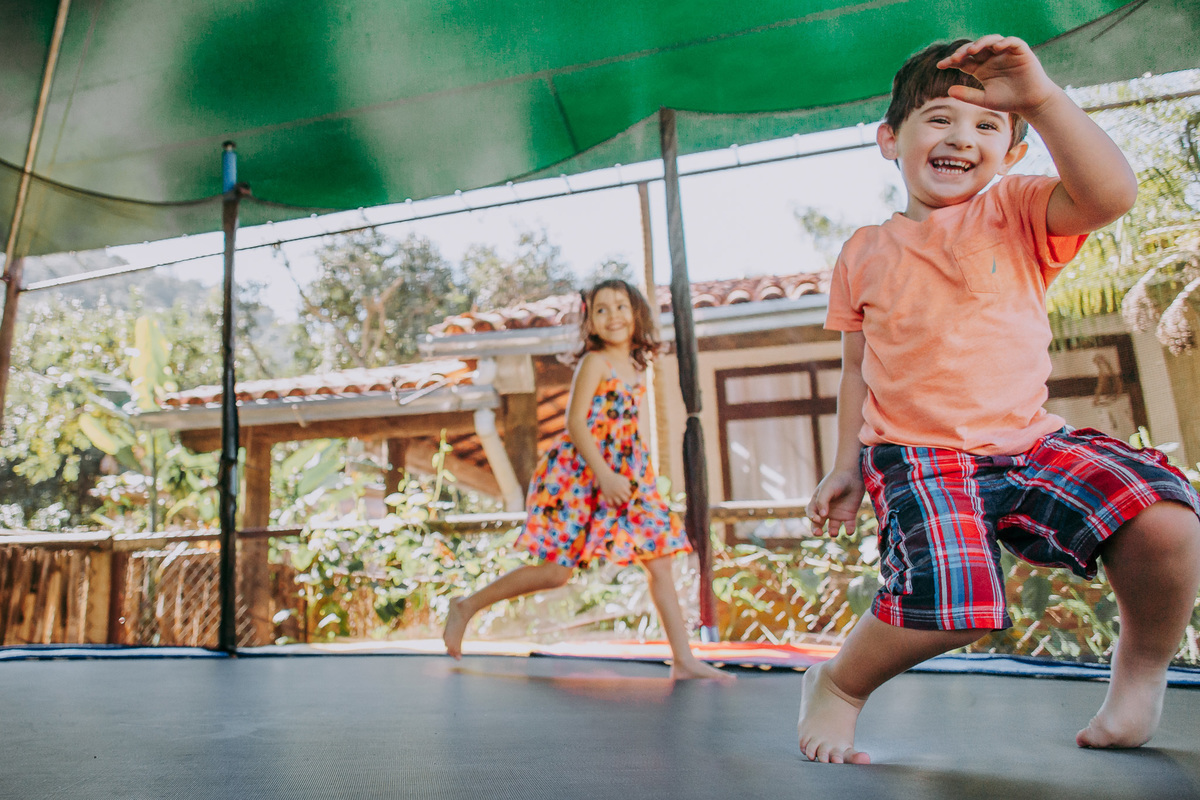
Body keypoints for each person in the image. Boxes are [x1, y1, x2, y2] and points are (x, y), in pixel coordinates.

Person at [801, 35, 1200, 764]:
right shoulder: (863, 251)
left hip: (1030, 442)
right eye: (940, 118)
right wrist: (845, 466)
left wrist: (1040, 99)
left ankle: (1142, 671)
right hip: (920, 456)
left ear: (1012, 153)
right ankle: (840, 685)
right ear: (890, 139)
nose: (963, 137)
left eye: (987, 125)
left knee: (1165, 519)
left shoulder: (1017, 210)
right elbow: (857, 368)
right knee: (956, 605)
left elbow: (1112, 195)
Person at [443, 278, 733, 682]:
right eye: (601, 309)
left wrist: (627, 474)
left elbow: (623, 427)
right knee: (555, 573)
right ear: (590, 321)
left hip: (628, 473)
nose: (613, 316)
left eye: (621, 307)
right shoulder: (595, 362)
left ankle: (683, 659)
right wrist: (605, 475)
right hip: (580, 475)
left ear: (636, 315)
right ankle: (466, 606)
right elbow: (575, 423)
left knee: (660, 560)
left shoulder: (637, 365)